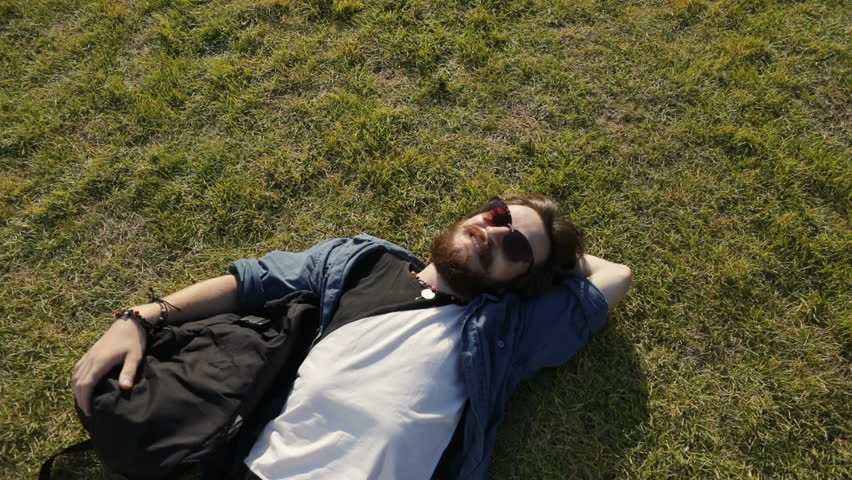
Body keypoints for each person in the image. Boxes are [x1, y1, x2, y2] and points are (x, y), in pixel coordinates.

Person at [71, 194, 633, 480]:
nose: (493, 231)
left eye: (515, 246)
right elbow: (249, 284)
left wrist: (553, 263)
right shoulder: (360, 263)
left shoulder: (505, 335)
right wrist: (139, 318)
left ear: (522, 283)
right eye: (497, 214)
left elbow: (615, 276)